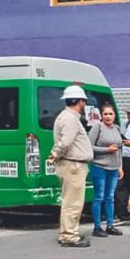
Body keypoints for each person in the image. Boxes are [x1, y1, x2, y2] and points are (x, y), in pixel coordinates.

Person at [49, 85, 94, 248]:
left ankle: (68, 232)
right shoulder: (70, 118)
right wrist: (57, 153)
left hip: (70, 164)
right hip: (73, 164)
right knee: (73, 202)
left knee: (70, 201)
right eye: (84, 101)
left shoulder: (65, 116)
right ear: (80, 101)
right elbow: (66, 141)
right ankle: (69, 235)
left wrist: (56, 153)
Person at [88, 104, 124, 238]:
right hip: (99, 166)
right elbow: (89, 146)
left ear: (114, 116)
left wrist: (120, 166)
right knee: (99, 197)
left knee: (110, 197)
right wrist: (106, 150)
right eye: (105, 114)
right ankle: (97, 227)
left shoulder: (117, 128)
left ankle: (110, 225)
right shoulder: (97, 127)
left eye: (111, 114)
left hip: (113, 168)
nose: (108, 117)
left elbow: (119, 148)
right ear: (101, 116)